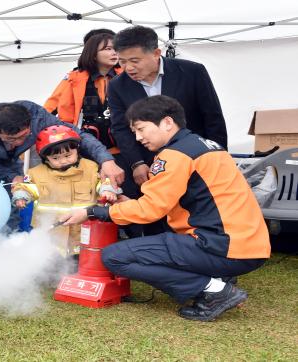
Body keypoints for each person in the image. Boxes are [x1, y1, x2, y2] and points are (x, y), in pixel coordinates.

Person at [59, 95, 270, 321]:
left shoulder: (173, 155)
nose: (138, 138)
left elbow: (150, 211)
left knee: (114, 257)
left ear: (167, 122)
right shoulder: (209, 146)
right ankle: (217, 277)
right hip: (250, 245)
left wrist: (92, 212)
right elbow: (184, 199)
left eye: (141, 129)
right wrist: (131, 205)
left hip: (221, 245)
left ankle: (214, 290)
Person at [107, 26, 227, 223]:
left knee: (197, 210)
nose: (128, 68)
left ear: (156, 53)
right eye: (122, 61)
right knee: (157, 214)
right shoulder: (117, 85)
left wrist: (219, 156)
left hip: (195, 159)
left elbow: (212, 117)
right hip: (150, 164)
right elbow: (120, 128)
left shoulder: (192, 72)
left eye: (135, 61)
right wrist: (137, 163)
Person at [0, 101, 124, 229]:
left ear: (30, 124)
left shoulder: (38, 117)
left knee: (10, 202)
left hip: (8, 160)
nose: (17, 144)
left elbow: (77, 134)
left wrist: (106, 160)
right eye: (10, 139)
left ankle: (7, 248)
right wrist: (11, 176)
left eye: (24, 136)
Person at [11, 125, 121, 266]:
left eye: (68, 155)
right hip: (51, 230)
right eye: (55, 158)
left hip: (82, 229)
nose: (62, 161)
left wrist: (107, 190)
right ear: (45, 157)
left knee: (81, 259)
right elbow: (26, 187)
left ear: (77, 149)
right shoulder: (36, 173)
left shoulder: (91, 167)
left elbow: (103, 181)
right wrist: (21, 196)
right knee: (49, 260)